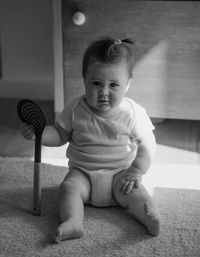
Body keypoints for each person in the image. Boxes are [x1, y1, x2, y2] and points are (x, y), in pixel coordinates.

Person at [21, 37, 161, 242]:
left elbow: (148, 144)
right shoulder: (75, 108)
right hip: (83, 174)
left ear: (128, 84)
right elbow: (60, 135)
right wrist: (38, 133)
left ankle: (149, 215)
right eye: (96, 83)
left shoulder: (132, 113)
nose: (104, 92)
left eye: (114, 85)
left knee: (136, 192)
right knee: (68, 189)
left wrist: (137, 170)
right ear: (84, 79)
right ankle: (73, 222)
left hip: (120, 175)